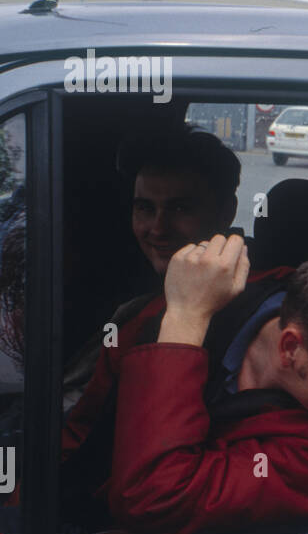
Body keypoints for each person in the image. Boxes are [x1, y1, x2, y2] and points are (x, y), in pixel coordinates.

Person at [63, 236, 308, 534]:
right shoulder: (223, 299)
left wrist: (186, 322)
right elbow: (94, 414)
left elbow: (155, 501)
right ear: (291, 348)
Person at [62, 124, 241, 408]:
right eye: (145, 208)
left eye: (180, 209)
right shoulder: (136, 302)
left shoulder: (242, 310)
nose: (158, 229)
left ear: (226, 213)